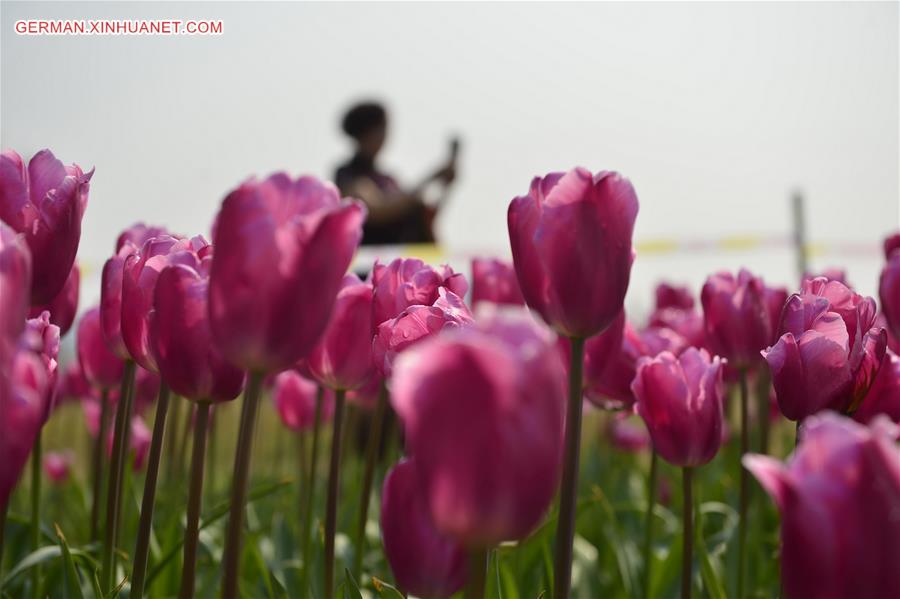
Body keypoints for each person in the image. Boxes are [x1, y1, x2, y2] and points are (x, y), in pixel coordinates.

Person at [334, 101, 457, 245]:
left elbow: (425, 215)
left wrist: (446, 186)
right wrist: (431, 177)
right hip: (370, 262)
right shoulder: (348, 174)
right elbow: (378, 210)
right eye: (381, 128)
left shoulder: (388, 179)